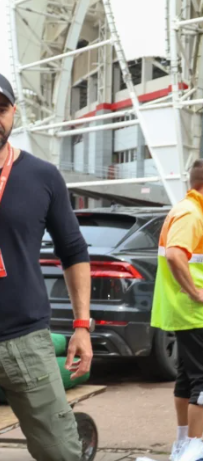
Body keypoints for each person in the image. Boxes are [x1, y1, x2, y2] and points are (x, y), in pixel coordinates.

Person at [0, 72, 93, 461]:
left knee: (61, 452)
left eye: (0, 108)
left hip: (25, 339)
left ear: (13, 112)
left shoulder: (42, 176)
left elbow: (73, 251)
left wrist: (82, 326)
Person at [150, 158, 203, 460]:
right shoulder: (191, 213)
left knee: (188, 377)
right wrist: (195, 292)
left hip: (185, 312)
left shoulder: (186, 210)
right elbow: (174, 255)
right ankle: (193, 448)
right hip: (197, 314)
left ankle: (184, 444)